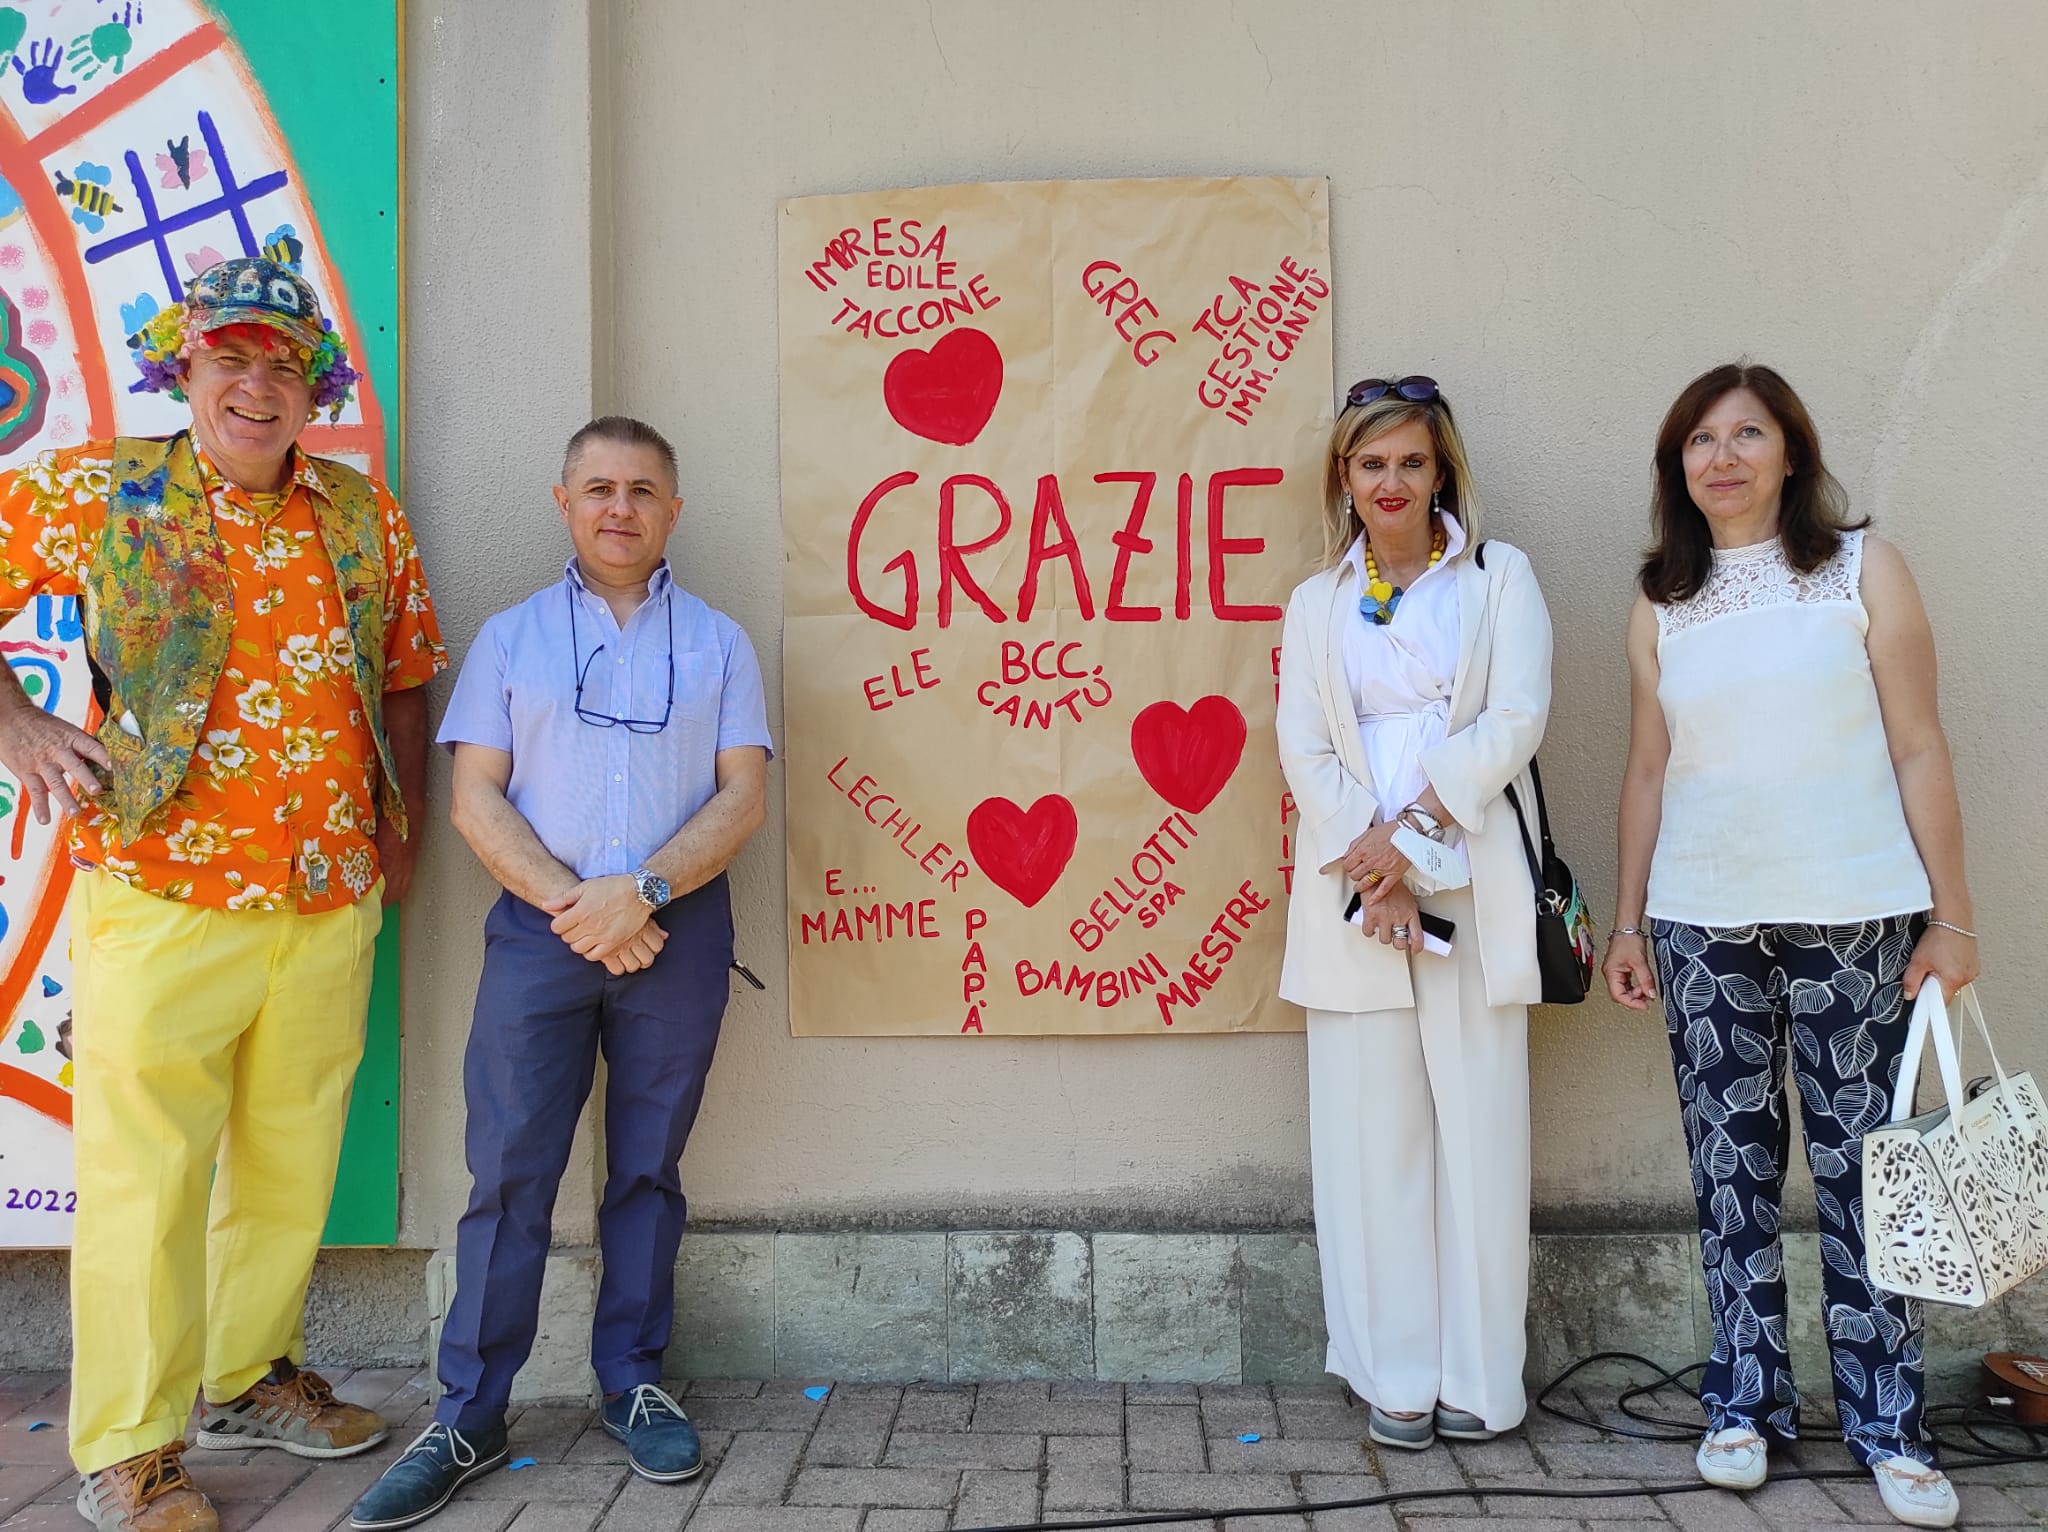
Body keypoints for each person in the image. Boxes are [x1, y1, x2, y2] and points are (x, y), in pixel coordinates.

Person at [0, 257, 446, 1532]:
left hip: (324, 892)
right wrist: (19, 723)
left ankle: (246, 1375)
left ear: (314, 388)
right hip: (161, 885)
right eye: (231, 358)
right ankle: (131, 1448)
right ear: (182, 368)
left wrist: (394, 832)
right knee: (145, 1174)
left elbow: (406, 672)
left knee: (290, 1158)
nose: (259, 386)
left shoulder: (361, 512)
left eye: (285, 365)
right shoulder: (103, 491)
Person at [351, 416, 771, 1530]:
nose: (618, 506)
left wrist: (643, 890)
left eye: (641, 488)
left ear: (671, 509)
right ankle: (469, 1410)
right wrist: (582, 905)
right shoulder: (509, 639)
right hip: (545, 935)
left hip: (671, 932)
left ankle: (630, 1378)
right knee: (509, 1171)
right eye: (598, 487)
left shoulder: (721, 642)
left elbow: (741, 796)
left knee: (647, 1167)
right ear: (564, 501)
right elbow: (474, 796)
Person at [1602, 362, 1976, 1530]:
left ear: (1789, 452)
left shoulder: (1863, 569)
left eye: (1745, 434)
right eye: (1697, 440)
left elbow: (1918, 746)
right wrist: (1624, 921)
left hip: (1856, 912)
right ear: (1678, 468)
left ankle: (1887, 1426)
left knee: (1866, 1177)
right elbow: (1649, 767)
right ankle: (1743, 1406)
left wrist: (1950, 915)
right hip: (1702, 921)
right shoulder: (1661, 598)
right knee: (1732, 1176)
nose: (1720, 456)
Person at [1275, 376, 1553, 1451]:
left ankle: (1478, 1378)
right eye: (1369, 463)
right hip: (1354, 898)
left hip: (1468, 878)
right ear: (1342, 477)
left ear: (1441, 472)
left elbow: (1515, 717)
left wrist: (1415, 834)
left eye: (1410, 462)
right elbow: (1301, 744)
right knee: (1369, 1137)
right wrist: (1370, 861)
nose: (1389, 482)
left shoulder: (1496, 579)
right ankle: (1393, 1372)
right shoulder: (1315, 603)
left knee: (1477, 1131)